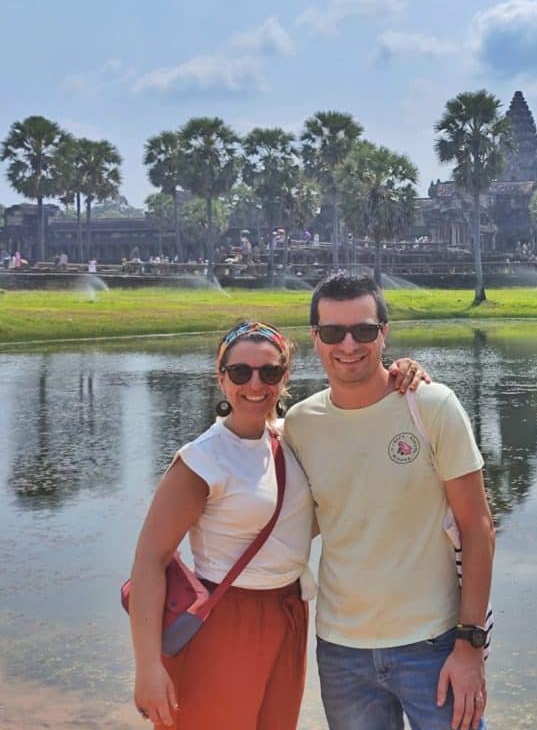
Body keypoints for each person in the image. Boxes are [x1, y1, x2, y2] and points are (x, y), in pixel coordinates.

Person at [129, 320, 428, 729]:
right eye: (240, 372)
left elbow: (360, 425)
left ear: (285, 376)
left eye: (269, 371)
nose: (256, 384)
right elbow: (150, 558)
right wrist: (147, 667)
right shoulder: (202, 460)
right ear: (221, 379)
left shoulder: (294, 438)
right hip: (223, 619)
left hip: (288, 613)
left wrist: (404, 373)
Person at [284, 273, 495, 730]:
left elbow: (477, 526)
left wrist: (470, 644)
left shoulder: (432, 406)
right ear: (315, 338)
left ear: (384, 332)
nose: (348, 344)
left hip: (434, 644)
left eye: (363, 330)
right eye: (332, 332)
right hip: (342, 651)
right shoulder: (300, 424)